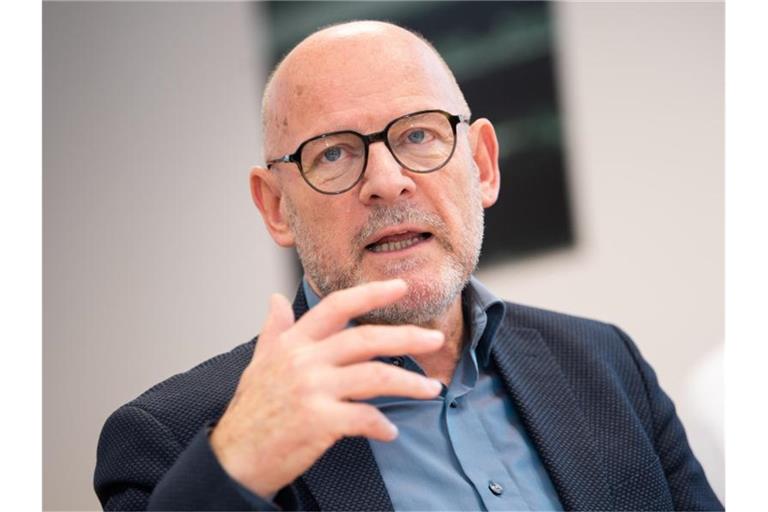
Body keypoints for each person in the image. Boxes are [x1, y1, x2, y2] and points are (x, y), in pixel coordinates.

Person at [94, 20, 722, 511]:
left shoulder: (606, 364)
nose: (387, 183)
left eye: (419, 135)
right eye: (334, 153)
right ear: (276, 206)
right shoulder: (171, 441)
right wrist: (235, 469)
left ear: (482, 164)